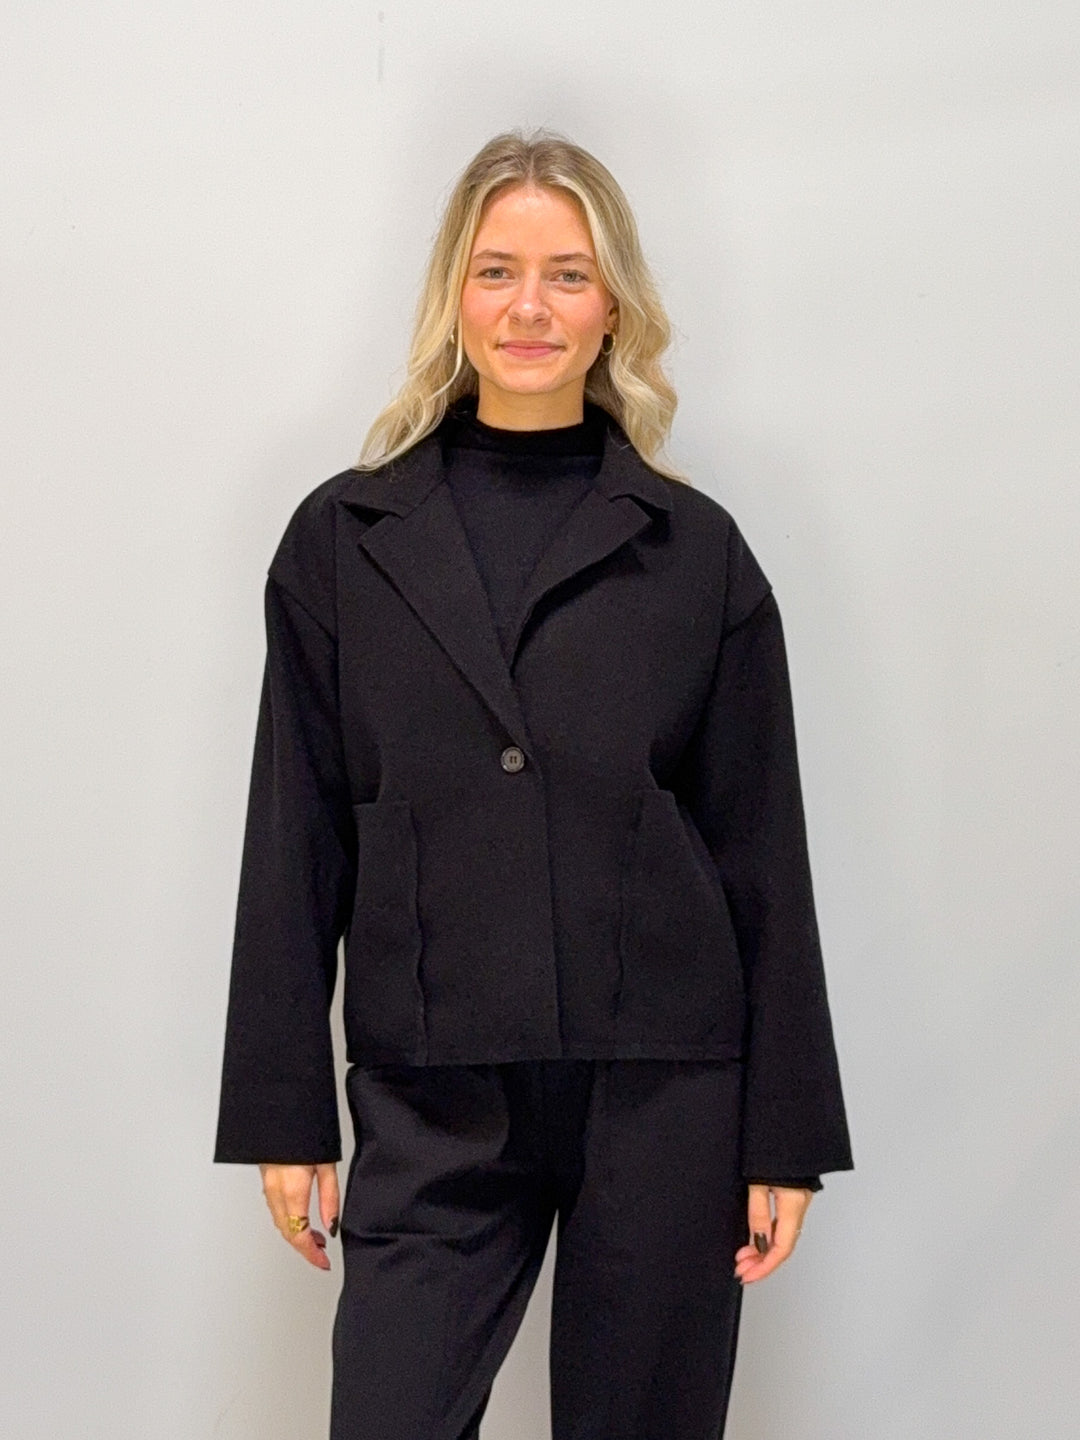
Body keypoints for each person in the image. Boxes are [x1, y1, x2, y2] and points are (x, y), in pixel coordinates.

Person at [214, 127, 855, 1440]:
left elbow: (760, 850)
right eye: (498, 271)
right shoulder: (343, 541)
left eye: (568, 275)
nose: (530, 307)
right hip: (432, 1083)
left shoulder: (696, 554)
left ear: (614, 304)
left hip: (666, 1085)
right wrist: (285, 1109)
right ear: (454, 293)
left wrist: (784, 1132)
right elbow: (294, 835)